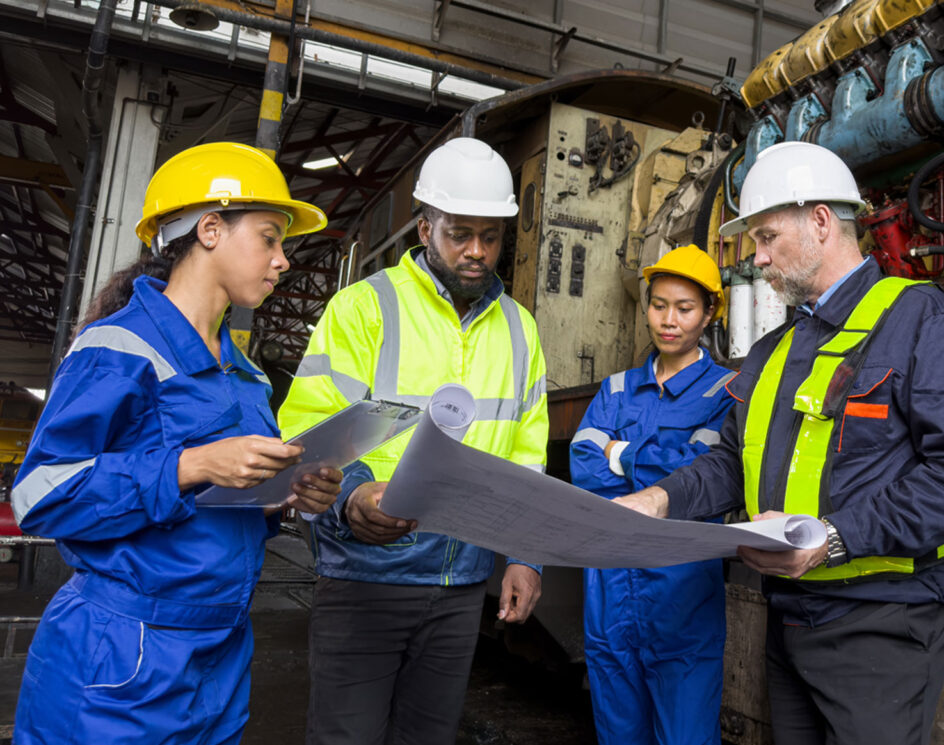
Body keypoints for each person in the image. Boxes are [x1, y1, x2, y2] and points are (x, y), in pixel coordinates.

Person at [614, 141, 944, 745]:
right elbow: (728, 461)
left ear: (821, 221)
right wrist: (659, 500)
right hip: (791, 617)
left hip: (884, 622)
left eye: (767, 238)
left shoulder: (921, 319)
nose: (758, 259)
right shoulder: (774, 351)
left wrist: (834, 538)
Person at [11, 142, 343, 745]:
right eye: (270, 238)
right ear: (210, 229)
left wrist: (283, 497)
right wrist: (191, 464)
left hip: (220, 650)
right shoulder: (118, 347)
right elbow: (39, 493)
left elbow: (225, 504)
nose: (283, 261)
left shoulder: (246, 375)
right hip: (121, 656)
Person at [277, 136, 549, 745]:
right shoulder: (363, 310)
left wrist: (526, 557)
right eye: (460, 234)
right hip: (364, 580)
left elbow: (527, 457)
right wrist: (351, 499)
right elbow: (307, 432)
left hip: (458, 588)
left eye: (492, 236)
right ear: (424, 229)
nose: (477, 252)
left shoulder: (521, 330)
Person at [569, 244, 734, 745]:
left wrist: (620, 454)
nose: (669, 320)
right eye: (659, 305)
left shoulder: (726, 392)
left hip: (681, 604)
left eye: (684, 309)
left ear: (709, 314)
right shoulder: (616, 388)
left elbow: (702, 475)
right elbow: (582, 463)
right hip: (609, 599)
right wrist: (658, 464)